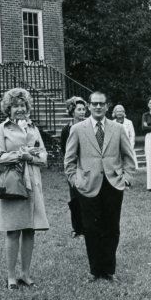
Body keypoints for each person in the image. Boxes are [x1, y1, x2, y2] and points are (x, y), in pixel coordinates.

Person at [64, 91, 137, 282]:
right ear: (89, 106)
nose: (98, 107)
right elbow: (69, 160)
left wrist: (126, 178)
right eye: (94, 103)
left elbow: (129, 157)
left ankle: (109, 270)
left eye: (101, 104)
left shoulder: (118, 128)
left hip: (113, 184)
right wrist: (75, 180)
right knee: (90, 228)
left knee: (112, 227)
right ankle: (95, 270)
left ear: (107, 106)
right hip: (87, 185)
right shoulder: (78, 129)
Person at [0, 88, 49, 289]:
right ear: (8, 108)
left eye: (23, 105)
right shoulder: (1, 129)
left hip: (33, 183)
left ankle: (25, 273)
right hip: (12, 184)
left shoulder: (33, 128)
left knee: (30, 229)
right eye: (15, 106)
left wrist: (31, 157)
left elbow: (43, 157)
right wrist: (20, 155)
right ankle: (11, 276)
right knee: (13, 230)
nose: (20, 109)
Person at [60, 97, 88, 237]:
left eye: (83, 109)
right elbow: (64, 150)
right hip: (74, 168)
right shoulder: (67, 129)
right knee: (75, 198)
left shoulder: (89, 126)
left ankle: (89, 226)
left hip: (88, 166)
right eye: (79, 109)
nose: (82, 112)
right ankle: (77, 228)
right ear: (72, 111)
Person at [112, 105, 138, 170]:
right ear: (115, 113)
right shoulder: (112, 123)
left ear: (123, 112)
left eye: (121, 111)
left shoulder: (129, 122)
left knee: (130, 165)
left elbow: (132, 135)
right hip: (116, 146)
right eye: (118, 111)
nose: (119, 113)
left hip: (128, 145)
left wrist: (130, 146)